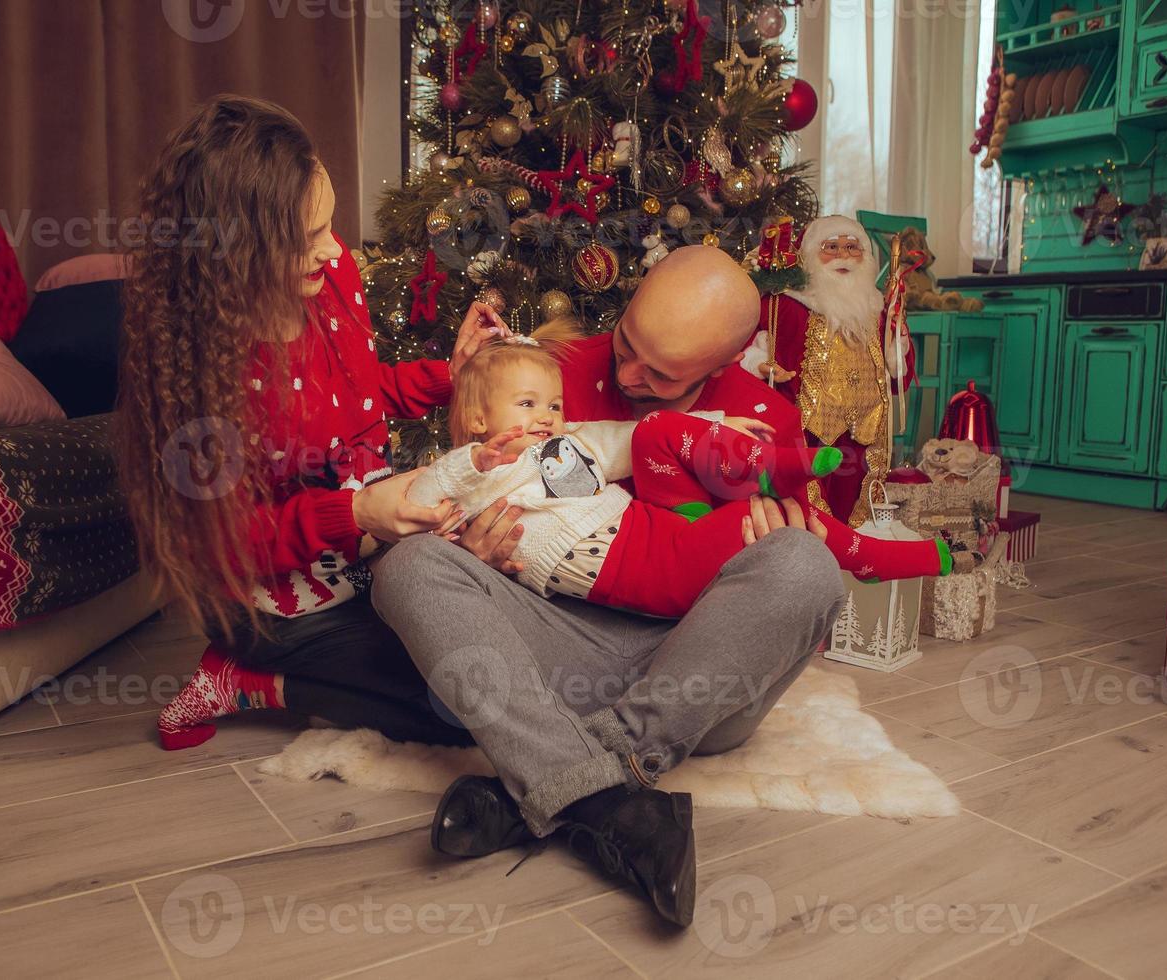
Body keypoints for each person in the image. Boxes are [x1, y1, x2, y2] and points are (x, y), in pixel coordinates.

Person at [371, 246, 846, 927]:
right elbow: (454, 479)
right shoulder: (546, 373)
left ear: (719, 369)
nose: (627, 374)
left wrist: (766, 540)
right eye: (627, 344)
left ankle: (561, 781)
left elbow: (789, 601)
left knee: (805, 563)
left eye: (661, 374)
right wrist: (468, 551)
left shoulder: (764, 418)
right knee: (408, 567)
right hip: (558, 647)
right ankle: (616, 806)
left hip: (694, 680)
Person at [115, 94, 510, 750]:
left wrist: (454, 374)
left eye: (330, 224)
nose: (333, 250)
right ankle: (249, 679)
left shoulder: (332, 278)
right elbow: (224, 541)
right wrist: (352, 514)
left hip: (365, 556)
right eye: (305, 238)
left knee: (493, 655)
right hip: (276, 603)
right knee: (462, 706)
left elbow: (355, 399)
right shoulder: (199, 364)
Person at [409, 322, 951, 619]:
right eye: (528, 405)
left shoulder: (567, 445)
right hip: (641, 573)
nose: (549, 416)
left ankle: (770, 467)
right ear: (479, 417)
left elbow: (630, 438)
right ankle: (871, 555)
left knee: (652, 431)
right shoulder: (472, 475)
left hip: (656, 527)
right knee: (757, 521)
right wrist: (473, 460)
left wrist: (721, 421)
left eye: (553, 404)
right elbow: (428, 495)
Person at [742, 215, 916, 526]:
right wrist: (759, 363)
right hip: (808, 429)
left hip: (865, 429)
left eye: (852, 247)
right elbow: (750, 342)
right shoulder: (787, 304)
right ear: (810, 253)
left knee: (855, 499)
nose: (843, 255)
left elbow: (897, 369)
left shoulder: (877, 308)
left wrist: (897, 340)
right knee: (809, 499)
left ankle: (855, 550)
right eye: (831, 247)